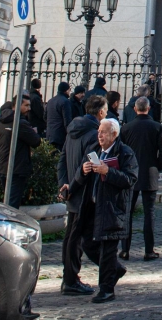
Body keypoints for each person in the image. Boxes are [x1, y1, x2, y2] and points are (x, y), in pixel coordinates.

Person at [68, 118, 139, 304]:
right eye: (99, 131)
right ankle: (114, 270)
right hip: (92, 206)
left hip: (112, 207)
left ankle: (107, 289)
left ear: (114, 135)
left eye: (104, 132)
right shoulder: (94, 151)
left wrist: (108, 171)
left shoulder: (125, 152)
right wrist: (82, 172)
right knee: (87, 243)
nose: (99, 135)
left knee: (108, 249)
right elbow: (80, 176)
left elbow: (130, 179)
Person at [59, 94, 108, 295]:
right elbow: (90, 165)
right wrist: (74, 186)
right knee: (78, 238)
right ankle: (71, 280)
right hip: (84, 191)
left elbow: (62, 159)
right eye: (105, 111)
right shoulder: (92, 135)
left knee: (72, 235)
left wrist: (64, 184)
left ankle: (70, 278)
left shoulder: (73, 130)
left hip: (72, 189)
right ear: (100, 112)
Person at [120, 96, 162, 261]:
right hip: (149, 172)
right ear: (148, 108)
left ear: (135, 109)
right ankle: (148, 250)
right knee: (149, 213)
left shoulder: (126, 128)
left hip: (130, 173)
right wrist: (158, 166)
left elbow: (120, 151)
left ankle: (125, 249)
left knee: (128, 212)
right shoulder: (157, 127)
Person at [0, 100, 41, 208]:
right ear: (15, 106)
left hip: (3, 166)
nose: (29, 108)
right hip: (16, 168)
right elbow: (36, 141)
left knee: (7, 201)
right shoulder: (20, 123)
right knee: (12, 205)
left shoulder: (1, 121)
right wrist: (33, 132)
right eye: (26, 105)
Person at [46, 82, 74, 148]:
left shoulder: (50, 101)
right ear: (66, 90)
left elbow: (45, 116)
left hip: (50, 134)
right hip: (60, 135)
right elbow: (67, 121)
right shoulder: (65, 101)